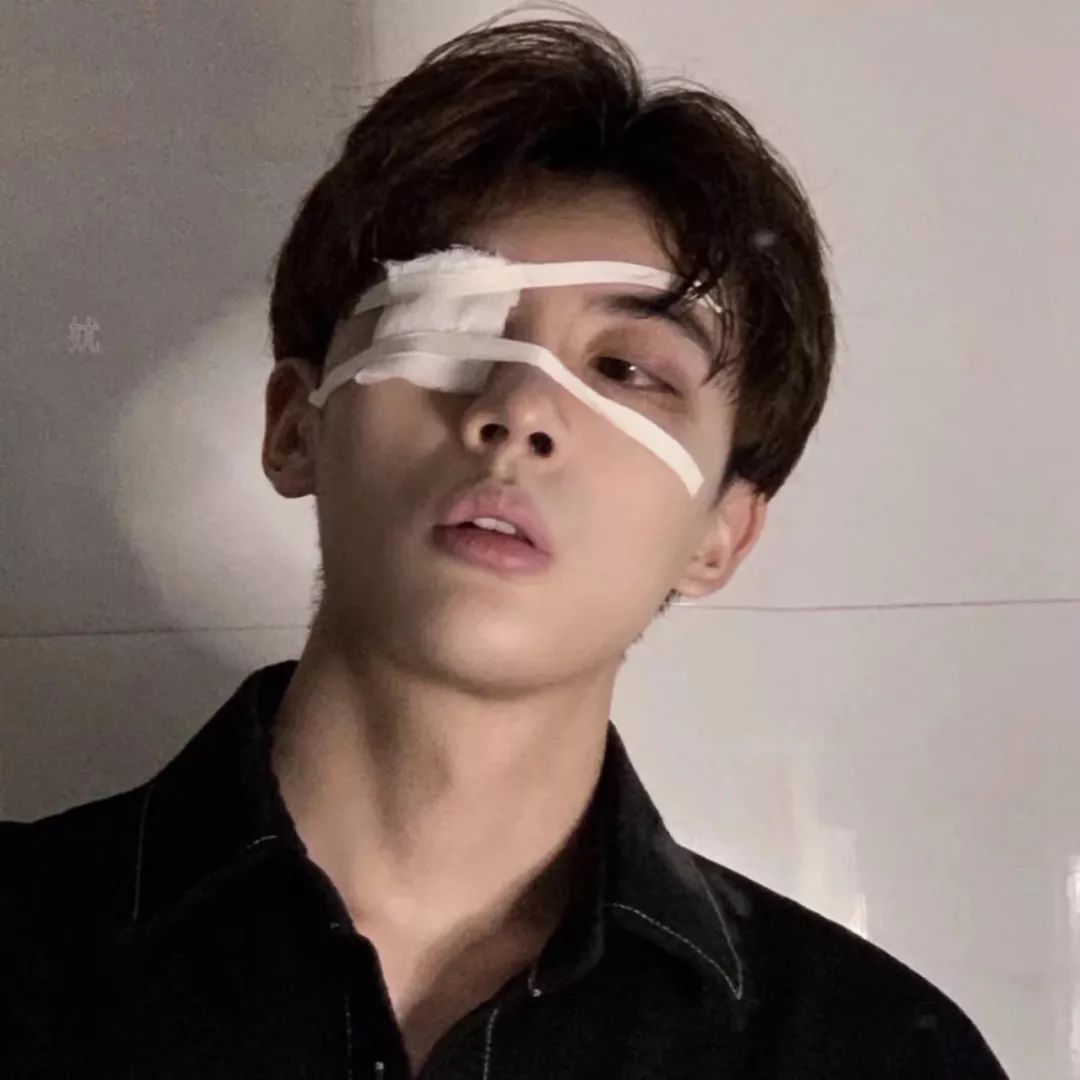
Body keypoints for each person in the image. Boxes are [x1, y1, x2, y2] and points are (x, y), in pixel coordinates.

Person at [1, 7, 1011, 1078]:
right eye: (450, 322)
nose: (520, 407)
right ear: (295, 427)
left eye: (629, 369)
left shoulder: (870, 1055)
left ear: (720, 535)